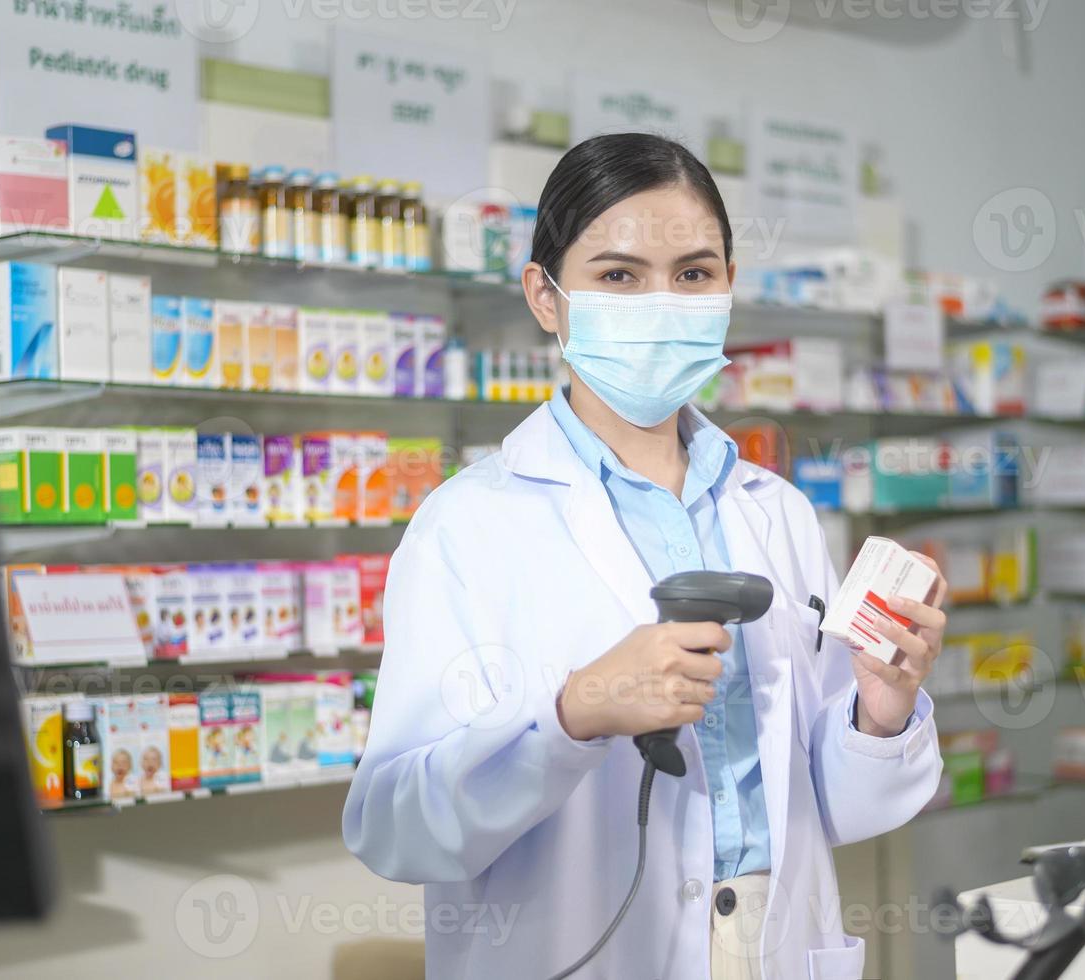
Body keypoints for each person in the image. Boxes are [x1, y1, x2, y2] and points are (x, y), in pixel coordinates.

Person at [343, 132, 946, 980]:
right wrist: (573, 715)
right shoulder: (467, 526)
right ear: (546, 298)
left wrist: (876, 717)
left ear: (729, 288)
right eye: (619, 276)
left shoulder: (779, 514)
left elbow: (830, 807)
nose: (662, 301)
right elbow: (393, 826)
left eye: (693, 274)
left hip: (773, 944)